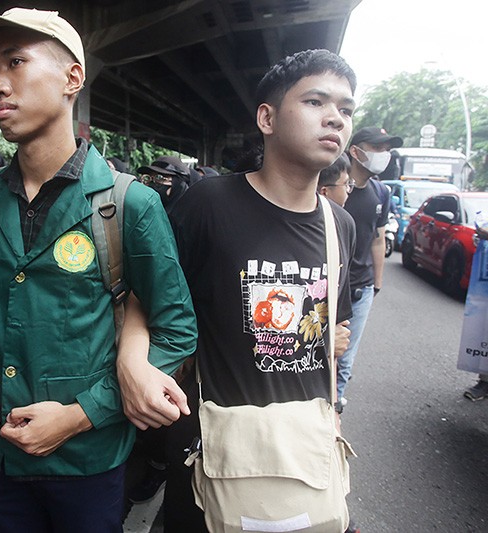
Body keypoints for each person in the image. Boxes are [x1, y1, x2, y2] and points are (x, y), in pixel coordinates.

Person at [0, 7, 197, 531]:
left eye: (16, 61)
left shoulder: (130, 204)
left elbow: (177, 328)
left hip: (86, 462)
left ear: (72, 78)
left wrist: (80, 415)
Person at [124, 49, 358, 531]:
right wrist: (132, 364)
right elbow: (147, 296)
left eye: (346, 109)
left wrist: (332, 412)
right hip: (213, 443)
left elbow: (331, 332)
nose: (335, 117)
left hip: (301, 446)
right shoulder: (209, 204)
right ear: (267, 118)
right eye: (316, 102)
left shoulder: (340, 225)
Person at [339, 126, 401, 408]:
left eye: (387, 149)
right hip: (329, 284)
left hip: (361, 287)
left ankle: (335, 403)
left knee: (347, 355)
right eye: (377, 148)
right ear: (356, 151)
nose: (383, 155)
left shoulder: (381, 192)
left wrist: (377, 282)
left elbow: (378, 240)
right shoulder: (334, 185)